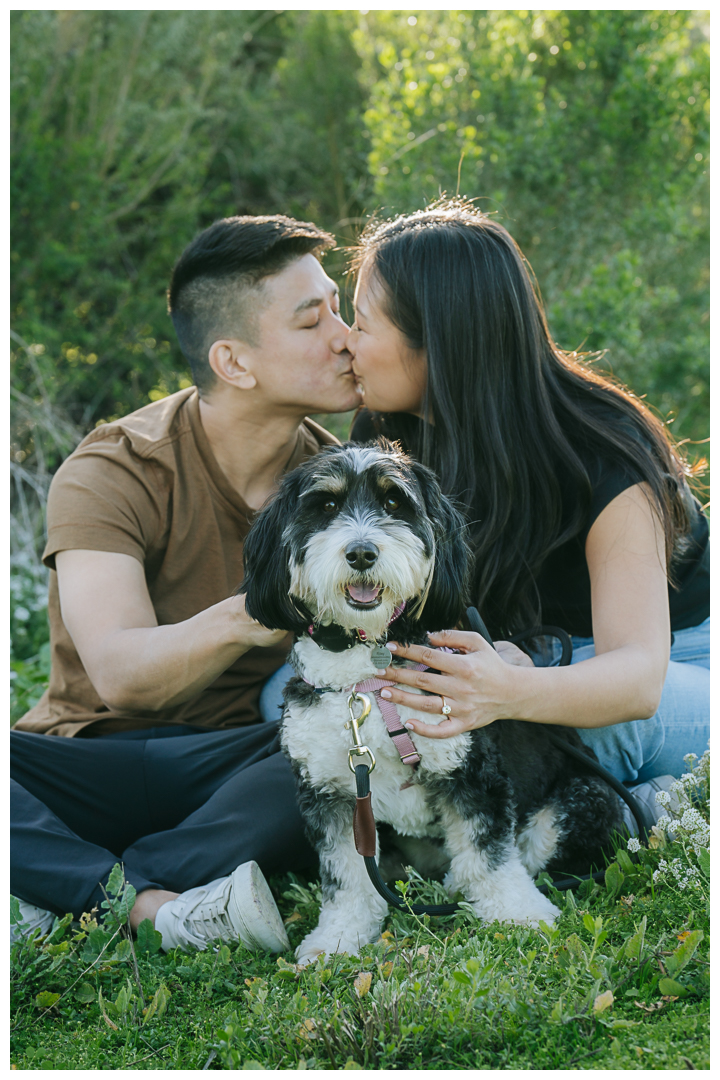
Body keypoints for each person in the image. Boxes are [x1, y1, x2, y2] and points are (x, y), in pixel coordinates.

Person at [11, 214, 363, 951]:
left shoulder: (341, 486)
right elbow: (123, 678)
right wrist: (253, 613)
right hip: (87, 758)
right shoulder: (114, 468)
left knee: (338, 743)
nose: (345, 334)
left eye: (340, 306)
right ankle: (146, 908)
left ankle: (78, 892)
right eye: (313, 319)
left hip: (232, 774)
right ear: (234, 362)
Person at [342, 199, 709, 820]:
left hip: (675, 657)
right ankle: (638, 809)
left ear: (437, 340)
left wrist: (514, 687)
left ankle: (632, 811)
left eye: (361, 324)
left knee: (586, 728)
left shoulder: (604, 451)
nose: (345, 344)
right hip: (531, 659)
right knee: (288, 697)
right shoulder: (385, 436)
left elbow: (639, 677)